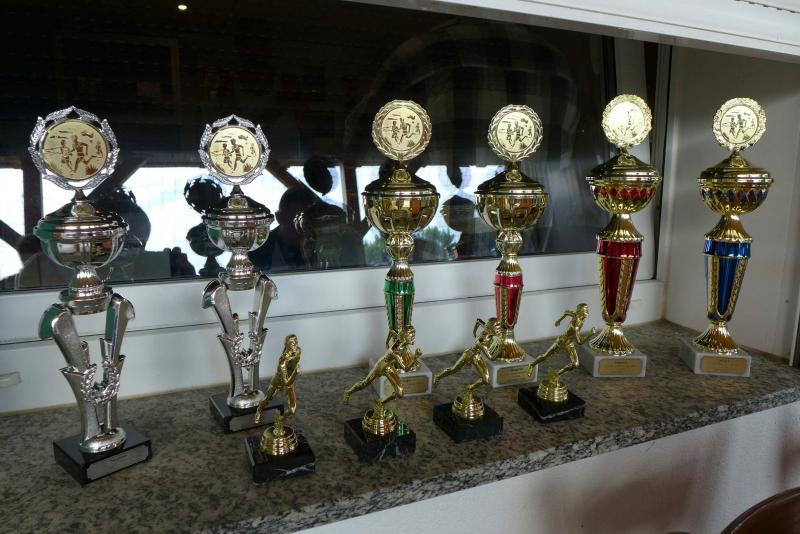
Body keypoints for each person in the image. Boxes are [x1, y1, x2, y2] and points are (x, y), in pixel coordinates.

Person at [342, 326, 421, 409]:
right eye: (411, 335)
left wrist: (387, 343)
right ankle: (348, 392)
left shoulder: (401, 341)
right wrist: (415, 357)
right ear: (404, 336)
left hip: (389, 367)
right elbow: (405, 369)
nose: (413, 337)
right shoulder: (396, 351)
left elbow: (391, 331)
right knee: (364, 384)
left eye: (414, 334)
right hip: (381, 366)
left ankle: (381, 403)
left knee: (400, 393)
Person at [527, 303, 597, 378]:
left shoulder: (577, 317)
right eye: (585, 310)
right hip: (561, 342)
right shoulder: (575, 326)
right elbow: (579, 342)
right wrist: (590, 334)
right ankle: (532, 365)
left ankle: (557, 374)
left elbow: (566, 312)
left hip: (569, 344)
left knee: (575, 364)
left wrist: (559, 320)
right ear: (581, 312)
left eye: (587, 310)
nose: (587, 312)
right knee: (545, 356)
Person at [433, 317, 497, 395]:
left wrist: (474, 332)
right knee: (454, 369)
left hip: (476, 356)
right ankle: (438, 376)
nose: (498, 331)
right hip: (469, 353)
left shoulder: (487, 330)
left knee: (486, 380)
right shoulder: (482, 341)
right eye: (496, 328)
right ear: (491, 329)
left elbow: (478, 321)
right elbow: (491, 357)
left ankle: (469, 389)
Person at [255, 334, 301, 427]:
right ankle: (259, 410)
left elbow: (290, 379)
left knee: (292, 410)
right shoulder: (283, 360)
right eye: (291, 342)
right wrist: (295, 373)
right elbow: (286, 382)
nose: (294, 343)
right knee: (268, 399)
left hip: (289, 382)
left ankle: (280, 420)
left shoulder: (298, 351)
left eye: (295, 341)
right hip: (279, 381)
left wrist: (293, 372)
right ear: (287, 344)